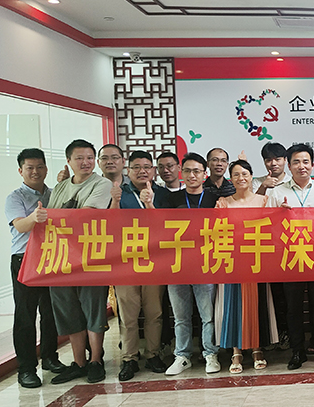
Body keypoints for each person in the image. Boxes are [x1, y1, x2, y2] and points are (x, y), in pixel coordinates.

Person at [46, 139, 113, 384]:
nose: (85, 162)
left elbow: (86, 215)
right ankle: (79, 362)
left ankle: (96, 361)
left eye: (89, 158)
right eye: (79, 158)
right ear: (69, 161)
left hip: (91, 257)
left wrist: (59, 218)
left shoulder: (102, 184)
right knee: (68, 311)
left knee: (93, 310)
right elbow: (48, 216)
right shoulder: (61, 187)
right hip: (60, 258)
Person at [268, 143, 314, 370]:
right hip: (291, 257)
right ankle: (297, 351)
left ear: (313, 165)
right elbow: (269, 227)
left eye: (305, 161)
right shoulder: (277, 192)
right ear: (289, 166)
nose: (301, 166)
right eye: (296, 162)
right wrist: (279, 215)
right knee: (293, 307)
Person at [5, 148, 65, 388]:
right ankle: (27, 369)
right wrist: (34, 217)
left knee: (51, 313)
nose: (35, 172)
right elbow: (20, 226)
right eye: (30, 168)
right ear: (21, 170)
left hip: (52, 258)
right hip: (25, 260)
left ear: (46, 169)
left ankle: (50, 358)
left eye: (40, 167)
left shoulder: (54, 193)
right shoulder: (15, 197)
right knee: (25, 316)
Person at [157, 153, 221, 376]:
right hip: (177, 265)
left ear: (205, 174)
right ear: (181, 173)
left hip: (206, 264)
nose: (192, 175)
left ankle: (210, 354)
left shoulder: (215, 200)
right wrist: (147, 204)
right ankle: (182, 356)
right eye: (187, 171)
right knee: (181, 317)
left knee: (208, 316)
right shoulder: (171, 199)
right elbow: (156, 226)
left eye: (196, 171)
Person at [114, 151, 167, 380]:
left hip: (155, 262)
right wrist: (114, 201)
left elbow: (167, 227)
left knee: (154, 312)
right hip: (124, 262)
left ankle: (153, 354)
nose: (142, 171)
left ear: (153, 170)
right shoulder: (119, 193)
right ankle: (129, 358)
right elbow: (108, 224)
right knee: (128, 315)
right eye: (136, 167)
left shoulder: (162, 194)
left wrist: (150, 204)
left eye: (147, 167)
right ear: (128, 170)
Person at [215, 160, 271, 373]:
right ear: (231, 179)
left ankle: (257, 349)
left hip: (257, 261)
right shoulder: (223, 203)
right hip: (232, 261)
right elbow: (217, 232)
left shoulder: (264, 200)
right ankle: (236, 351)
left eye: (245, 173)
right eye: (236, 174)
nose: (241, 178)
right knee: (233, 305)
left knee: (256, 305)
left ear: (251, 176)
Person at [251, 141, 290, 349]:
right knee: (269, 295)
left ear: (285, 161)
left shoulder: (293, 180)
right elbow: (249, 207)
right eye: (268, 160)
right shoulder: (256, 182)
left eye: (277, 159)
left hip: (290, 246)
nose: (273, 163)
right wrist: (265, 185)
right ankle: (271, 335)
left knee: (287, 294)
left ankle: (286, 333)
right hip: (264, 247)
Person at [98, 143, 125, 209]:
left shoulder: (133, 185)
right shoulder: (93, 187)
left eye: (114, 158)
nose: (109, 162)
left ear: (123, 161)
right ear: (98, 163)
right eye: (104, 158)